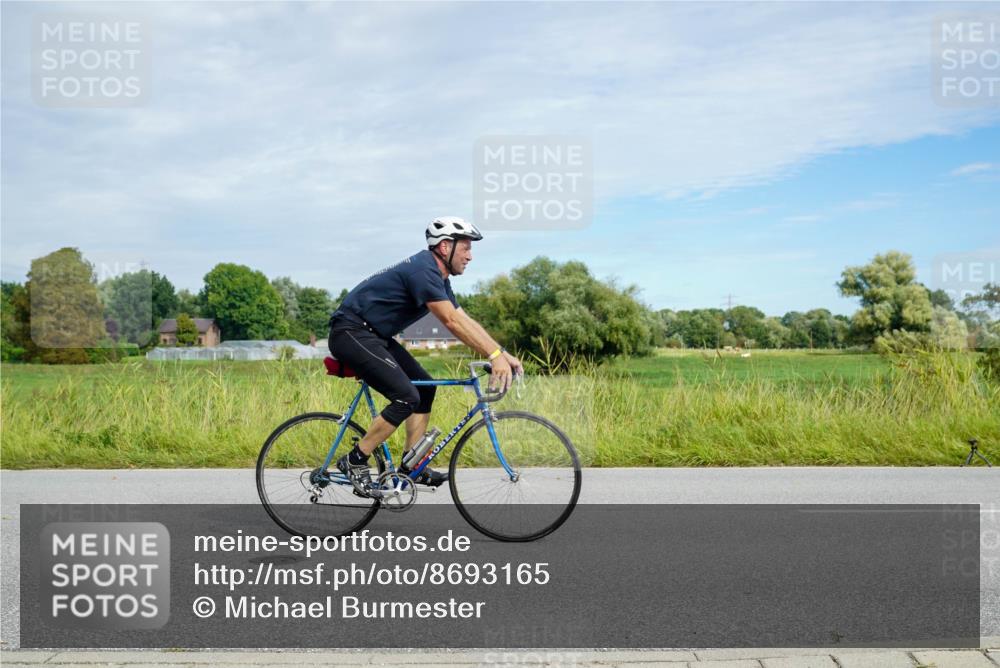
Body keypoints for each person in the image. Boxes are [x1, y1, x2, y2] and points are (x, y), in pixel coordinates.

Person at [328, 216, 523, 498]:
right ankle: (355, 459)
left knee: (425, 388)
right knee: (406, 397)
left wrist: (501, 353)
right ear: (445, 247)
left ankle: (411, 466)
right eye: (466, 248)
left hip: (375, 335)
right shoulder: (423, 271)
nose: (470, 256)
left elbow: (462, 318)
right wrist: (493, 355)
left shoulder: (439, 277)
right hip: (351, 332)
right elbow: (450, 322)